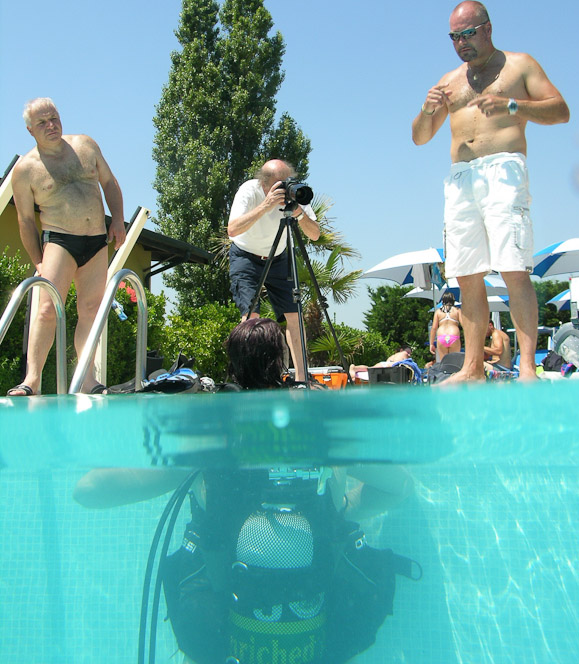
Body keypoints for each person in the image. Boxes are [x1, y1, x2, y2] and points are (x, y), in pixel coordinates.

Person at [74, 318, 417, 664]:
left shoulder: (208, 441)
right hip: (315, 624)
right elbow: (399, 486)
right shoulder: (319, 434)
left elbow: (88, 490)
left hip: (224, 627)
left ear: (232, 368)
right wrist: (342, 508)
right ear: (283, 364)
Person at [412, 0, 569, 382]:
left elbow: (561, 110)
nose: (461, 42)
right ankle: (471, 368)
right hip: (461, 177)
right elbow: (419, 138)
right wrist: (427, 109)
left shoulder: (520, 65)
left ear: (487, 28)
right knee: (466, 274)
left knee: (513, 268)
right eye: (454, 36)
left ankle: (528, 367)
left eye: (467, 33)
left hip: (504, 169)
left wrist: (512, 105)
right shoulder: (448, 82)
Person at [8, 98, 126, 396]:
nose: (51, 125)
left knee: (90, 309)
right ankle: (31, 380)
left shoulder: (86, 146)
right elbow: (24, 221)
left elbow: (110, 183)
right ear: (30, 130)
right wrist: (37, 260)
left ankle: (87, 378)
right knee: (46, 308)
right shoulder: (25, 169)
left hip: (96, 240)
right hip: (59, 241)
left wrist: (119, 221)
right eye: (42, 123)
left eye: (54, 118)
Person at [227, 159, 320, 382]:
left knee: (295, 317)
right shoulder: (249, 191)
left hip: (279, 256)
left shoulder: (295, 193)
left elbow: (315, 234)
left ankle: (300, 378)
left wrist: (299, 213)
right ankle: (252, 378)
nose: (285, 188)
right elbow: (232, 229)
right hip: (245, 255)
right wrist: (265, 206)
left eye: (288, 181)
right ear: (264, 183)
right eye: (280, 184)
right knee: (251, 317)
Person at [349, 344, 413, 382]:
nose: (409, 355)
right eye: (408, 352)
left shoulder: (394, 355)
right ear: (402, 350)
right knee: (370, 369)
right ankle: (354, 368)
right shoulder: (402, 354)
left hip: (384, 365)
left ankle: (355, 368)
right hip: (386, 366)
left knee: (370, 369)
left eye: (410, 353)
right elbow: (396, 362)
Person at [429, 292, 462, 361]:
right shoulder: (457, 311)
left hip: (441, 337)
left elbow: (434, 328)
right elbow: (464, 326)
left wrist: (431, 344)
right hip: (454, 336)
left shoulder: (438, 312)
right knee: (454, 363)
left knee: (444, 362)